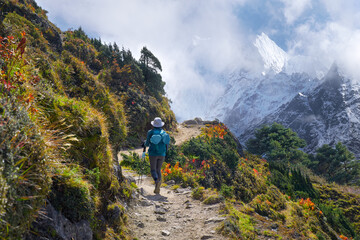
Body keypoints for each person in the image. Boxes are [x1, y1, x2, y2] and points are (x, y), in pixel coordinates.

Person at [144, 117, 170, 194]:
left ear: (153, 125)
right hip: (162, 154)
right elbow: (167, 144)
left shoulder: (150, 132)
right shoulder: (164, 133)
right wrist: (165, 153)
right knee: (158, 170)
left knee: (153, 170)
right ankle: (158, 186)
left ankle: (156, 181)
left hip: (153, 154)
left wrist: (144, 143)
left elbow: (147, 144)